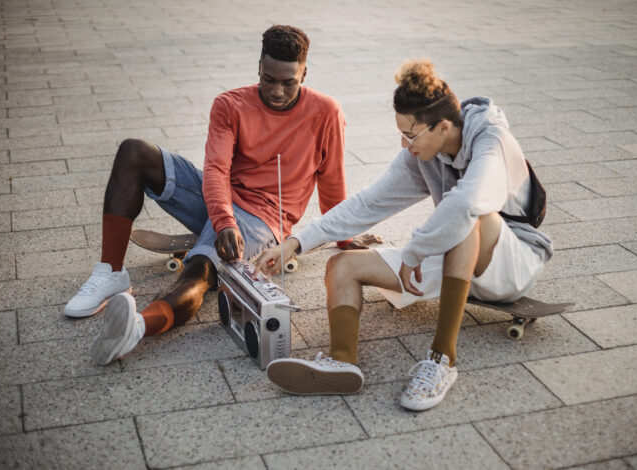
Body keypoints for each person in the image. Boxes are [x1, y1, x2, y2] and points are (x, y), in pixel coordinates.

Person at [64, 25, 380, 365]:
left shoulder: (326, 112)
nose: (276, 90)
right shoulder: (230, 104)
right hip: (218, 198)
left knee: (199, 269)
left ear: (305, 73)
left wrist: (345, 239)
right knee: (134, 151)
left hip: (262, 218)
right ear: (258, 66)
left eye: (289, 82)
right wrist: (223, 219)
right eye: (269, 78)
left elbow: (332, 182)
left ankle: (137, 328)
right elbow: (215, 170)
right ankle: (111, 274)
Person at [255, 59, 553, 411]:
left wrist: (414, 253)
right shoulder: (423, 151)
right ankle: (342, 362)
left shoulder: (492, 140)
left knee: (467, 215)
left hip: (510, 260)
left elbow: (466, 204)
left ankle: (441, 361)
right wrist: (296, 242)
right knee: (342, 266)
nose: (404, 143)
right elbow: (369, 203)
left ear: (443, 127)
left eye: (410, 134)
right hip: (454, 259)